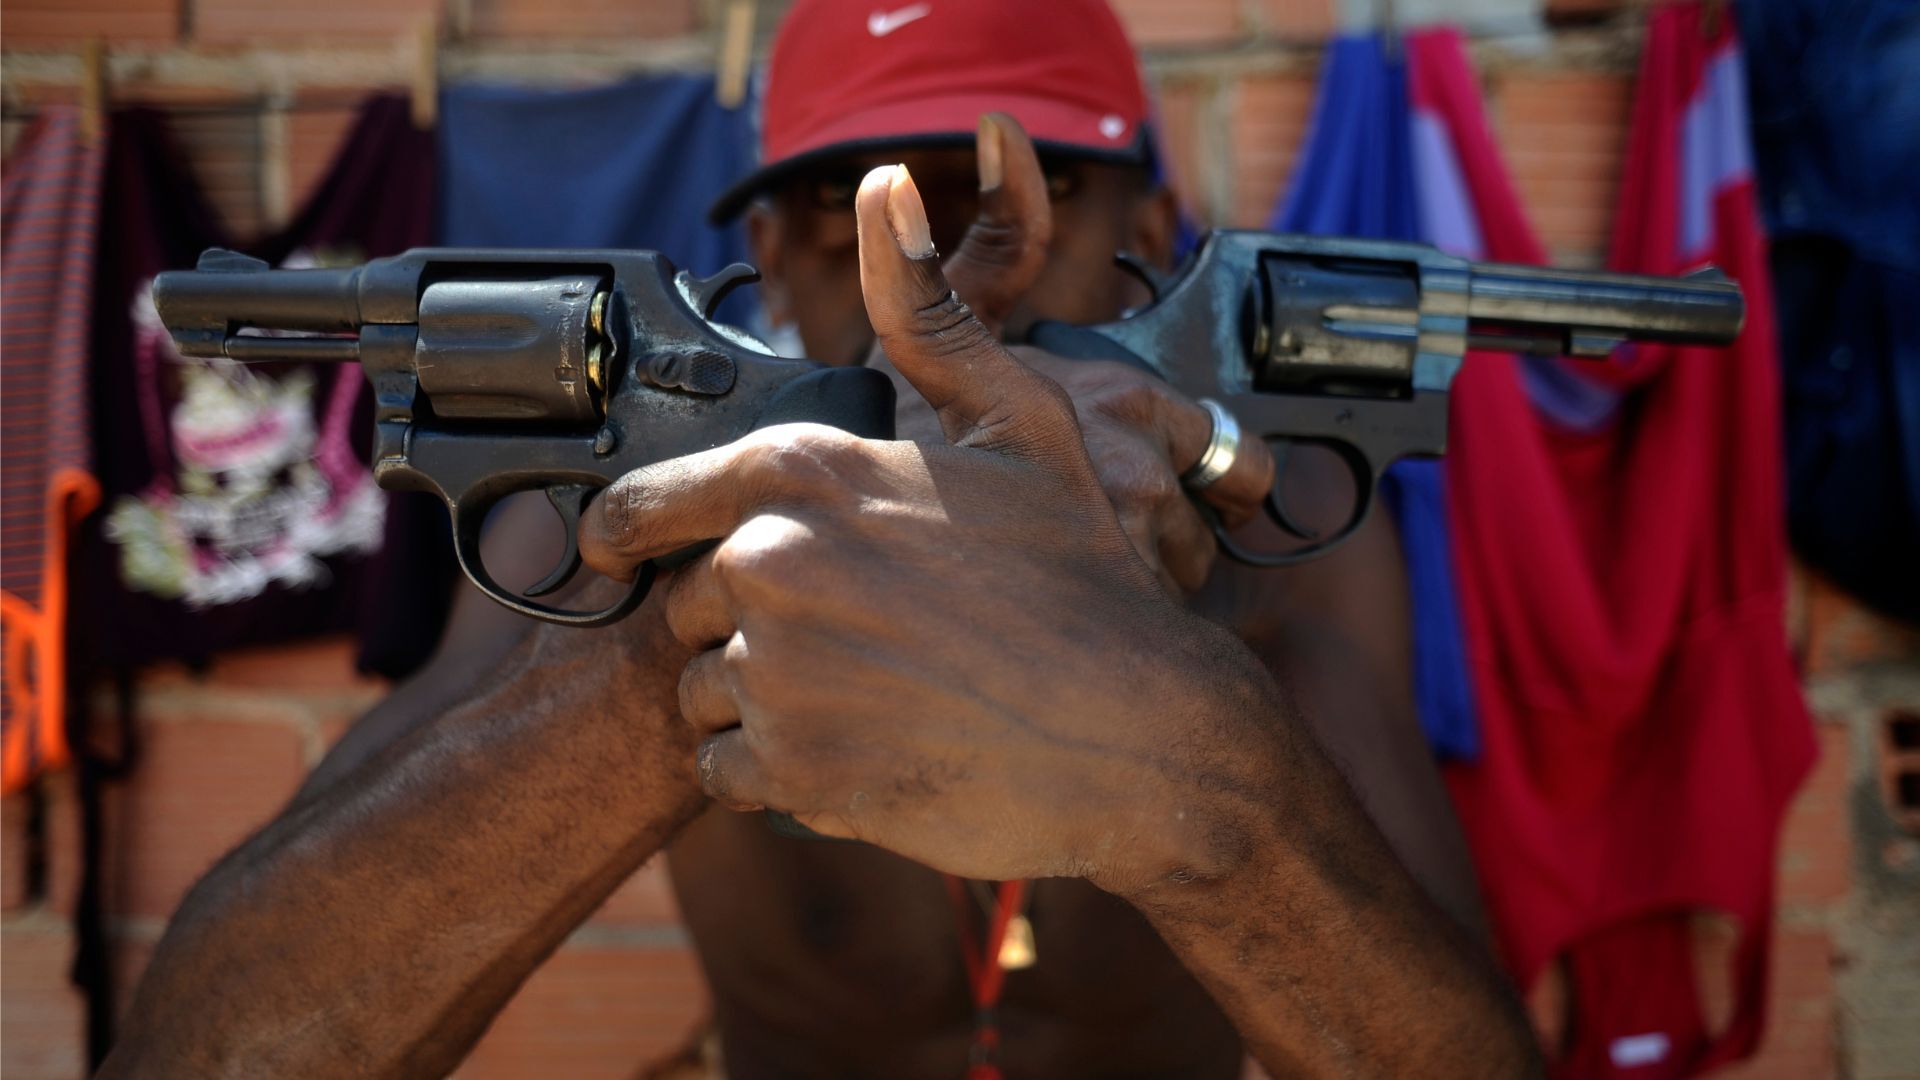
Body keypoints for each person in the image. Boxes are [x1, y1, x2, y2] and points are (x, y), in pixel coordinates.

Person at [103, 1, 1535, 1076]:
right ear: (776, 253)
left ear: (1146, 222)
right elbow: (210, 1051)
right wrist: (678, 655)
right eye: (844, 209)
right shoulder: (615, 512)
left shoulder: (1268, 519)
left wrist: (1194, 747)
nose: (918, 278)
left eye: (995, 196)